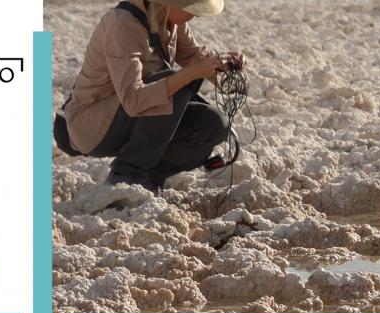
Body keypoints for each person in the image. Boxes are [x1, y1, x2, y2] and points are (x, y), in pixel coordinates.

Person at [60, 0, 244, 194]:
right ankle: (125, 175)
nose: (198, 15)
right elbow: (133, 99)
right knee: (176, 82)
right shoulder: (122, 24)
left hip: (136, 119)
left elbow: (194, 57)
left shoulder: (171, 19)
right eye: (193, 8)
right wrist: (190, 73)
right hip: (92, 127)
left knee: (214, 124)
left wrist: (226, 69)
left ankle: (148, 179)